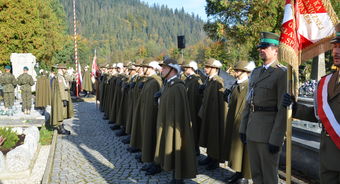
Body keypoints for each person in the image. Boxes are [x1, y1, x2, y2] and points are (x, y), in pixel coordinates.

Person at [282, 23, 340, 184]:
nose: (336, 51)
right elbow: (320, 115)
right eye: (335, 45)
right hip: (327, 158)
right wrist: (295, 108)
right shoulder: (327, 82)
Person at [239, 32, 287, 184]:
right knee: (256, 174)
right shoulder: (256, 72)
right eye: (260, 46)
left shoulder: (281, 73)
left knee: (269, 176)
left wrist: (277, 138)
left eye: (265, 47)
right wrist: (243, 127)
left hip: (268, 134)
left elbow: (283, 109)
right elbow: (249, 102)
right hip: (252, 130)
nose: (261, 49)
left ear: (276, 50)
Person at [154, 58, 197, 184]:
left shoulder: (178, 86)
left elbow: (180, 112)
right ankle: (175, 175)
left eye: (165, 68)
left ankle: (178, 178)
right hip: (167, 123)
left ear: (173, 70)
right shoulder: (168, 84)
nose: (161, 70)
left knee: (177, 147)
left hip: (175, 126)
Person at [224, 60, 255, 184]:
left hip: (244, 121)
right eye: (236, 70)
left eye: (238, 70)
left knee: (244, 150)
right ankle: (238, 172)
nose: (235, 72)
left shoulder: (248, 86)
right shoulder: (236, 85)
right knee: (236, 150)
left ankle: (245, 176)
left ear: (245, 72)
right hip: (235, 120)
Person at [198, 58, 229, 170]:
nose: (205, 69)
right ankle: (210, 156)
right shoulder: (210, 80)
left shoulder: (217, 81)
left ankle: (215, 159)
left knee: (214, 136)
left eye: (207, 67)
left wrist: (215, 116)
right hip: (208, 112)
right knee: (209, 136)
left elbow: (218, 102)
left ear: (214, 68)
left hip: (214, 114)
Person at [182, 60, 203, 155]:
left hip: (193, 109)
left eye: (186, 68)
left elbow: (196, 98)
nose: (184, 70)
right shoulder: (189, 79)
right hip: (188, 108)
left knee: (194, 129)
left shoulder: (196, 80)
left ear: (191, 69)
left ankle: (195, 148)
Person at [51, 64, 74, 135]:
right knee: (61, 113)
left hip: (60, 97)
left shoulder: (60, 76)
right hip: (60, 98)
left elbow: (67, 84)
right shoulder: (59, 77)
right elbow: (61, 88)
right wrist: (64, 99)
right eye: (64, 69)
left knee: (61, 113)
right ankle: (61, 129)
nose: (65, 70)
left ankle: (61, 127)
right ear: (61, 69)